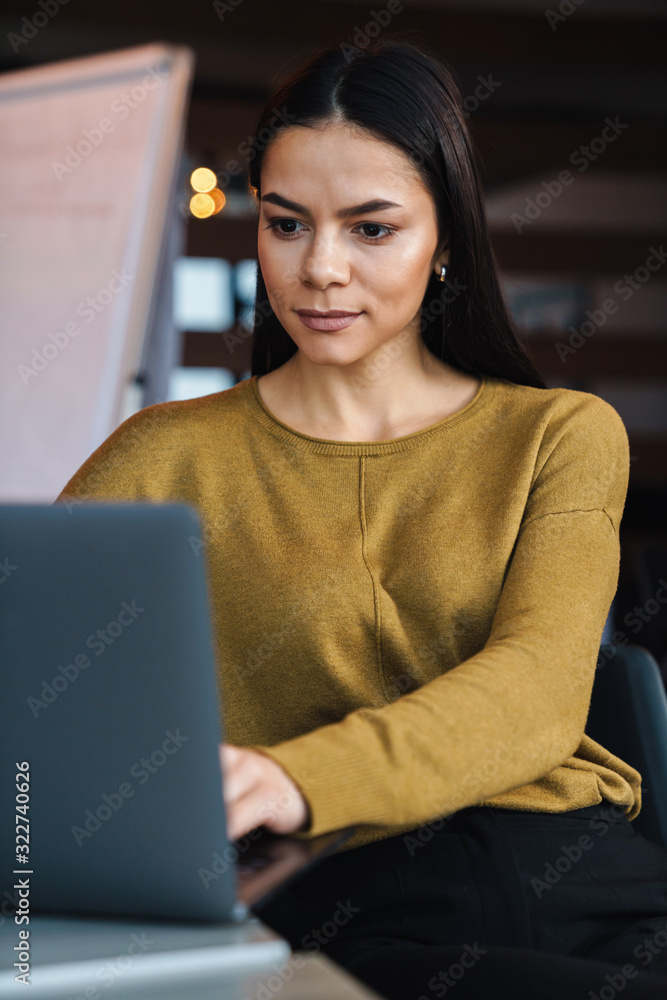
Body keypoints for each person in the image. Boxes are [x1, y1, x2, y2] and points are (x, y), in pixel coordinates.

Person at [55, 34, 667, 1000]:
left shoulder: (558, 433)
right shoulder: (163, 453)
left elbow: (542, 689)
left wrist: (302, 774)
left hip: (576, 872)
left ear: (447, 240)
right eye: (287, 224)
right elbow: (40, 694)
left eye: (371, 229)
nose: (320, 269)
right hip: (343, 901)